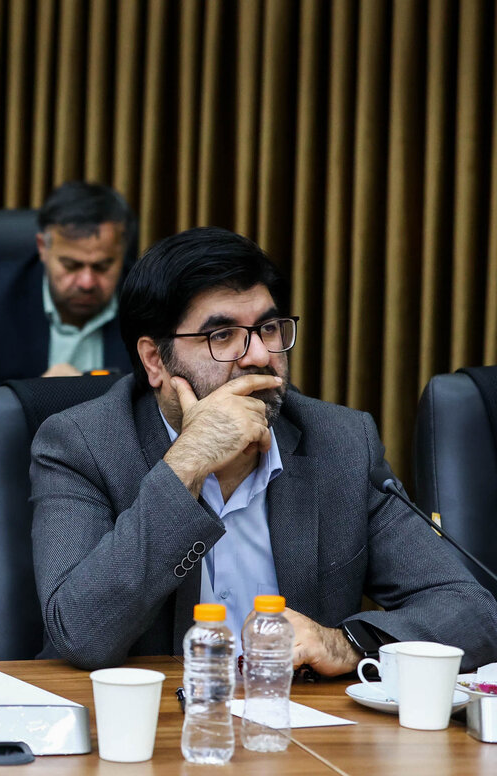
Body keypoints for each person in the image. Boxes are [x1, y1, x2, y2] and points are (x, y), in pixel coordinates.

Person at [30, 226, 497, 674]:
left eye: (269, 328)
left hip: (294, 718)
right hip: (152, 720)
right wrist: (187, 465)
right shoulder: (83, 445)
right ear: (155, 360)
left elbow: (473, 613)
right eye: (221, 335)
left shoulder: (341, 444)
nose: (258, 355)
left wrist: (346, 643)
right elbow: (82, 633)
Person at [0, 181, 138, 414]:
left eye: (102, 266)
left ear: (122, 252)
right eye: (71, 265)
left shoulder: (147, 300)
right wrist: (34, 394)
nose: (86, 282)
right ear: (42, 248)